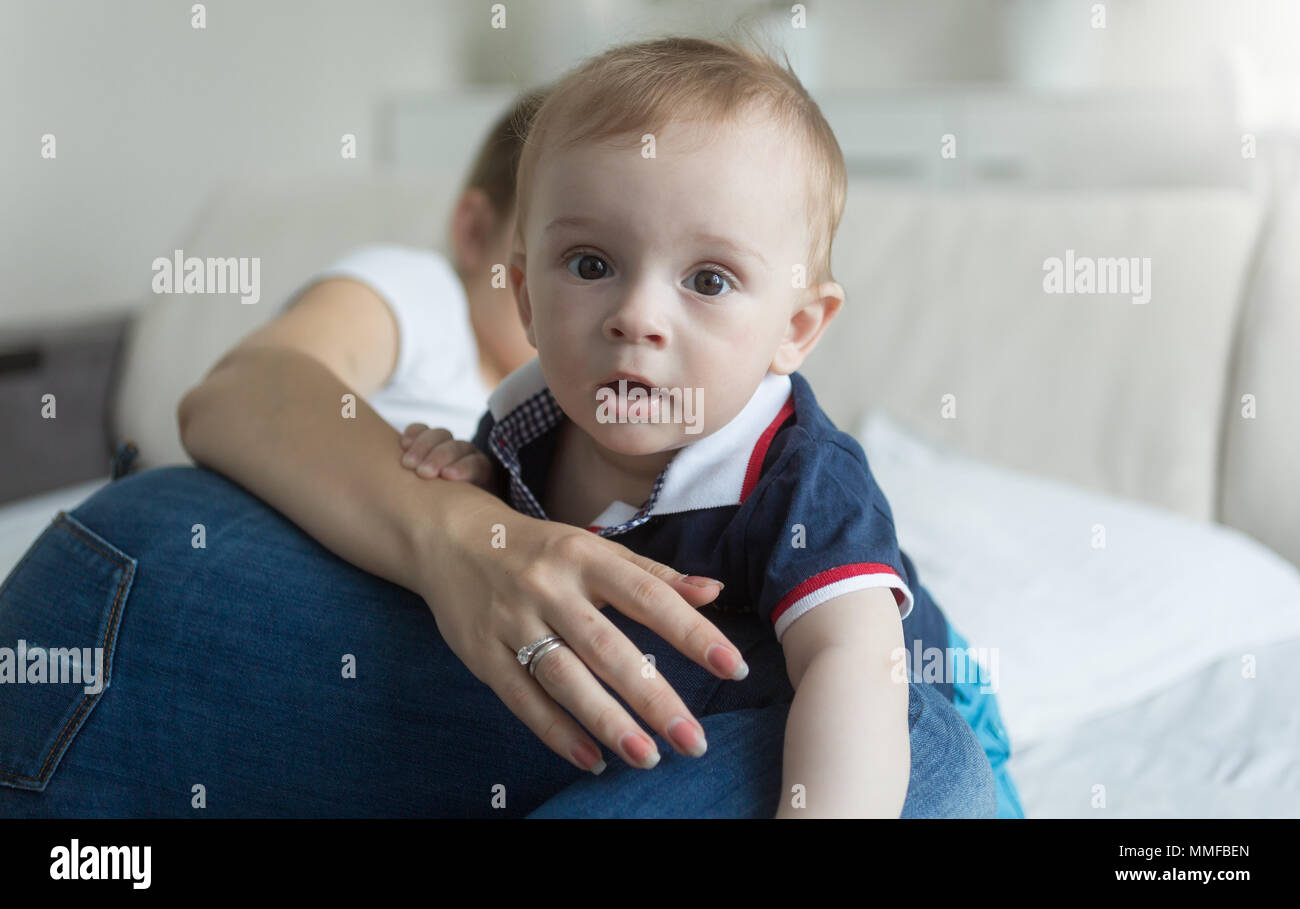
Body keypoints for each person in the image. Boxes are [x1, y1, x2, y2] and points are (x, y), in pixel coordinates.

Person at [0, 45, 1012, 817]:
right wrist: (459, 483)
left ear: (796, 329)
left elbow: (852, 664)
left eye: (708, 280)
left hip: (894, 697)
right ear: (522, 292)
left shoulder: (797, 473)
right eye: (590, 263)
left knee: (901, 747)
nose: (637, 315)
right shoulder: (523, 425)